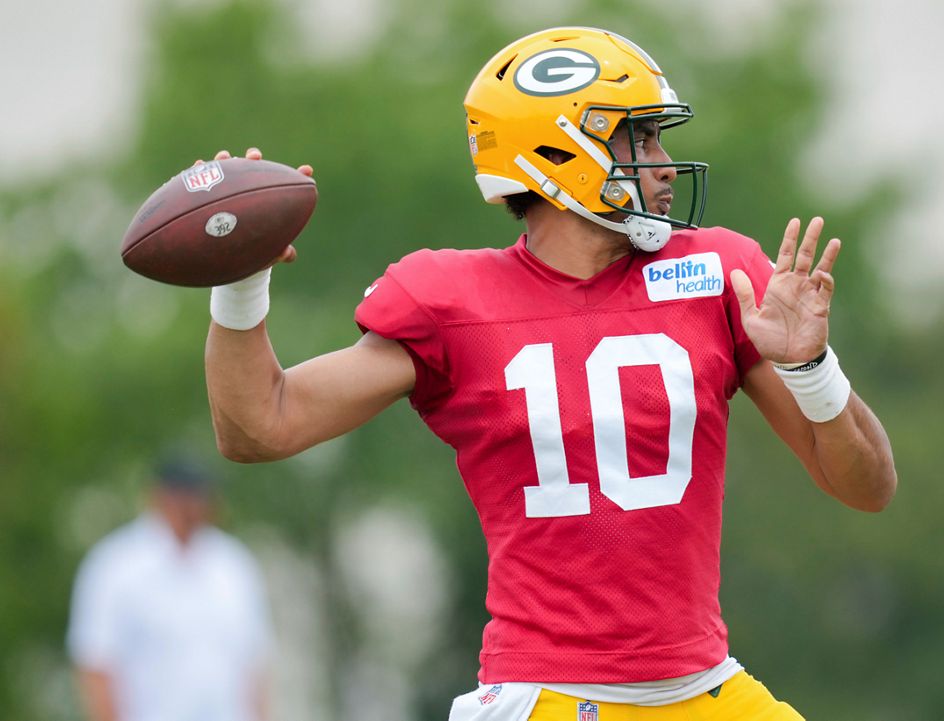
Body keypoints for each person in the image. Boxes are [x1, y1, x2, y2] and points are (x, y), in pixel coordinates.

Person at [202, 26, 896, 720]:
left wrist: (812, 368)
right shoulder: (453, 300)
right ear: (561, 151)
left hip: (704, 687)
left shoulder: (716, 274)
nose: (663, 164)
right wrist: (239, 288)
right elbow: (262, 424)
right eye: (641, 139)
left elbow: (867, 487)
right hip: (549, 695)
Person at [67, 457, 273, 721]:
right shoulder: (116, 566)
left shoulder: (234, 565)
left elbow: (255, 663)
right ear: (163, 496)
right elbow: (95, 664)